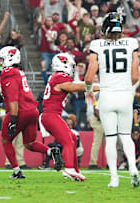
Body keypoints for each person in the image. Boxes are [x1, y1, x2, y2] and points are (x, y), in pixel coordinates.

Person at [84, 12, 140, 187]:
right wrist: (127, 87)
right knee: (126, 136)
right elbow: (136, 74)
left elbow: (89, 76)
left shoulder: (96, 44)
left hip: (107, 95)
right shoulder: (131, 42)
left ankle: (114, 179)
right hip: (125, 95)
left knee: (110, 138)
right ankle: (133, 169)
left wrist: (88, 90)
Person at [0, 46, 62, 179]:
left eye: (2, 59)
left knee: (6, 140)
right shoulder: (18, 72)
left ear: (10, 59)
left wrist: (13, 121)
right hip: (32, 111)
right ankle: (50, 151)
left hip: (20, 111)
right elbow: (14, 93)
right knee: (29, 143)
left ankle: (16, 171)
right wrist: (2, 95)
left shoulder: (8, 72)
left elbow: (14, 99)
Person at [40, 52, 99, 181]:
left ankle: (75, 170)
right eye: (71, 65)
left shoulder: (56, 76)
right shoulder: (59, 77)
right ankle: (69, 169)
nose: (72, 69)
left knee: (72, 137)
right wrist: (97, 87)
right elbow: (73, 87)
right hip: (51, 115)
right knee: (67, 140)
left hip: (51, 115)